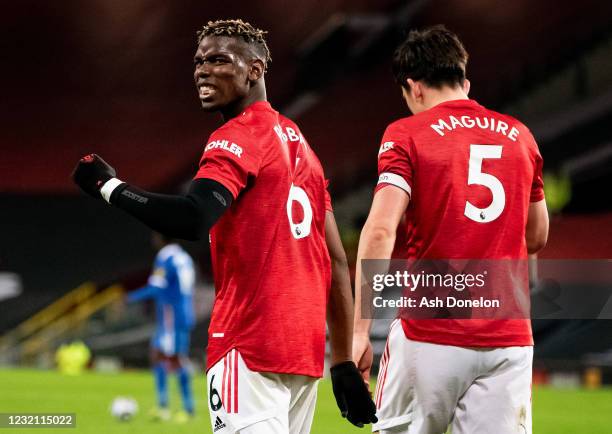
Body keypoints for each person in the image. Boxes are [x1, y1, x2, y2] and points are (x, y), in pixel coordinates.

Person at [72, 18, 376, 434]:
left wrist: (108, 186)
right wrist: (340, 361)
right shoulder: (303, 147)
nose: (202, 70)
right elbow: (336, 262)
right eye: (199, 61)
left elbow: (192, 217)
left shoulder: (238, 136)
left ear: (254, 70)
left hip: (248, 347)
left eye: (218, 59)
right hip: (303, 355)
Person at [352, 25, 549, 434]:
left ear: (414, 87)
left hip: (431, 331)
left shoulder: (405, 134)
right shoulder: (521, 137)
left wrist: (359, 331)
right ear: (465, 81)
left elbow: (379, 232)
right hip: (508, 338)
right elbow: (537, 236)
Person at [126, 232, 196, 423]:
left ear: (160, 238)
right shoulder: (183, 257)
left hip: (171, 317)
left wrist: (129, 298)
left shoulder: (166, 257)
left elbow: (156, 287)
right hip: (181, 313)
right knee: (158, 355)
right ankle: (163, 406)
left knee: (175, 360)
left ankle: (188, 409)